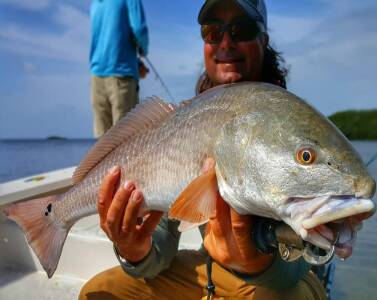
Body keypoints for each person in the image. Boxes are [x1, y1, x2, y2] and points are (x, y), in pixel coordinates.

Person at [79, 1, 327, 299]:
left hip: (285, 281)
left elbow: (313, 251)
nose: (225, 42)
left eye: (241, 29)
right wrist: (137, 251)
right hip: (210, 271)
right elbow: (163, 240)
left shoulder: (295, 128)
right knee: (99, 293)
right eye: (212, 32)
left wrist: (259, 264)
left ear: (263, 40)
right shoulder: (187, 123)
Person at [90, 0, 149, 138]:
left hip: (96, 77)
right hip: (122, 77)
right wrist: (143, 50)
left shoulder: (95, 3)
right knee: (126, 140)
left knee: (101, 144)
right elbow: (140, 29)